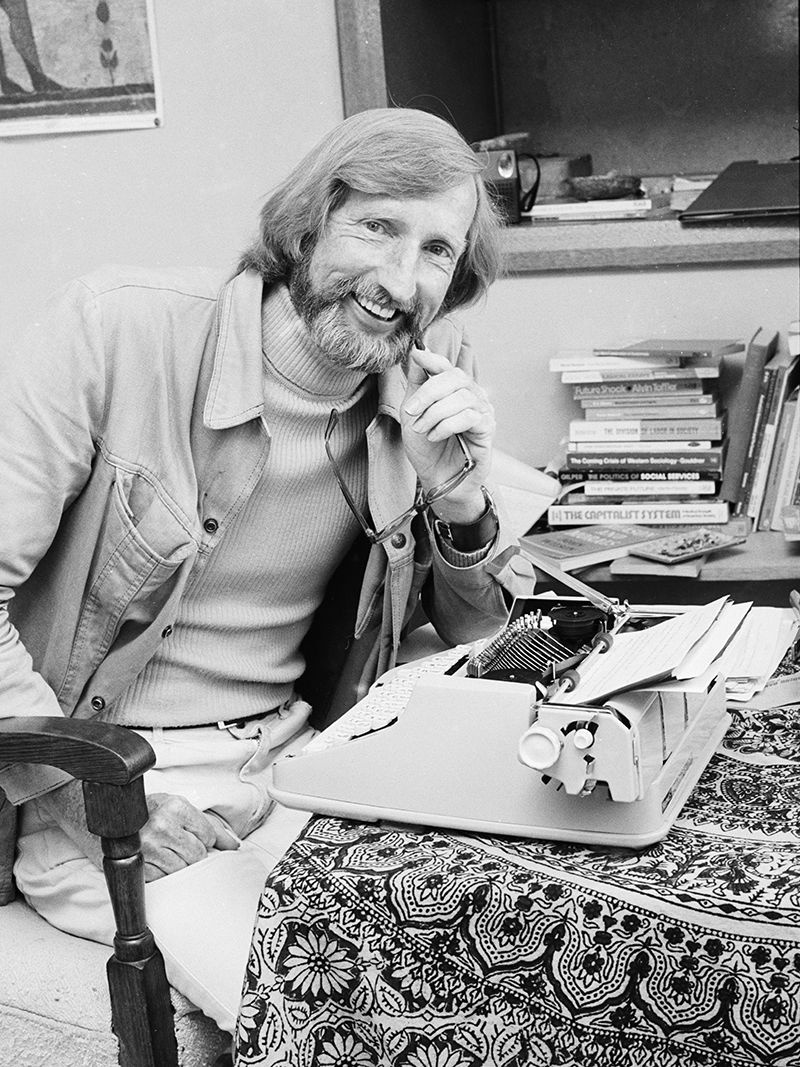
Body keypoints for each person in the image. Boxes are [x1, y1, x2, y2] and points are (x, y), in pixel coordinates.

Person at [0, 107, 527, 1031]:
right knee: (342, 1005)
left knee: (499, 953)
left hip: (306, 778)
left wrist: (459, 498)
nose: (401, 280)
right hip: (119, 791)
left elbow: (486, 638)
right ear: (308, 221)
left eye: (438, 251)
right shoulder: (117, 329)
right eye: (378, 227)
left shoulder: (421, 397)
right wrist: (99, 802)